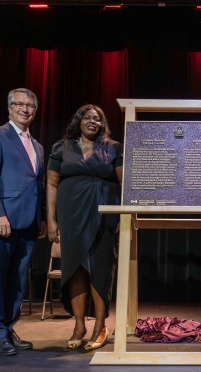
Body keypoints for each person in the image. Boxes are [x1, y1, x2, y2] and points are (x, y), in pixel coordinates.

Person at [46, 104, 122, 351]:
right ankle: (79, 325)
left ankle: (100, 326)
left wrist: (122, 215)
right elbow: (52, 184)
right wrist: (51, 219)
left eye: (97, 119)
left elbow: (124, 182)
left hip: (103, 213)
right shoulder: (62, 147)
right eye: (88, 117)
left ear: (102, 124)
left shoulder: (112, 148)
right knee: (76, 268)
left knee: (100, 268)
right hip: (71, 215)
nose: (93, 121)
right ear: (78, 120)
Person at [0, 88, 46, 355]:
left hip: (29, 222)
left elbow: (37, 183)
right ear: (9, 107)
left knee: (17, 279)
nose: (25, 109)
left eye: (31, 105)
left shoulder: (37, 145)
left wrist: (40, 218)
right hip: (4, 219)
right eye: (19, 104)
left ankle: (8, 327)